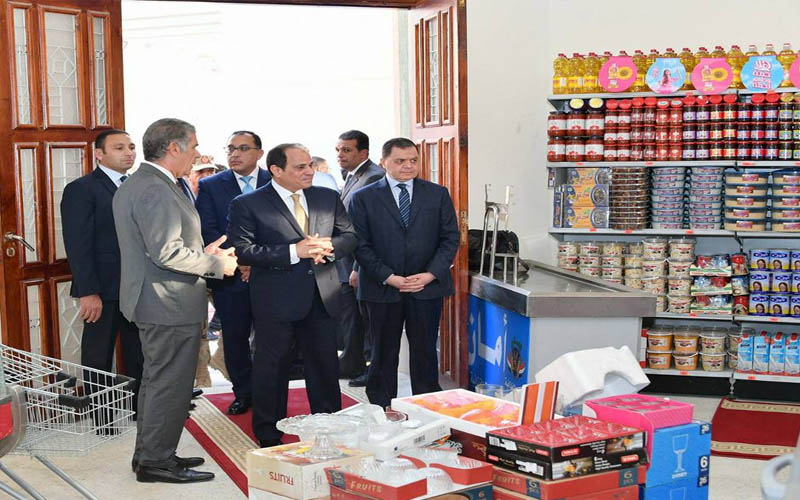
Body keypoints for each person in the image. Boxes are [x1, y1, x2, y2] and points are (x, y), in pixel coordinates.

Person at [113, 118, 237, 483]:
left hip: (160, 300)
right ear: (173, 148)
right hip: (166, 302)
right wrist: (218, 265)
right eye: (194, 145)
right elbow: (166, 252)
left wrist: (203, 252)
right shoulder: (155, 188)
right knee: (170, 385)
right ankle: (155, 461)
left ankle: (153, 454)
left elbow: (161, 246)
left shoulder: (147, 183)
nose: (197, 153)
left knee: (158, 382)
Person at [227, 143, 357, 447]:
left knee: (324, 367)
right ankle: (269, 435)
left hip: (322, 297)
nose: (309, 171)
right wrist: (294, 252)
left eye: (310, 164)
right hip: (275, 300)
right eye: (300, 167)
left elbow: (350, 236)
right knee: (271, 370)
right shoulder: (247, 203)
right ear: (276, 170)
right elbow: (243, 250)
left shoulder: (327, 196)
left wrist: (329, 247)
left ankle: (329, 430)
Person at [349, 138, 459, 409]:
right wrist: (389, 277)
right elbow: (359, 244)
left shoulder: (437, 194)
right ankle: (382, 406)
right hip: (382, 286)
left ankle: (426, 406)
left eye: (413, 160)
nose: (408, 166)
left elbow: (450, 239)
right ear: (383, 162)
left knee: (425, 351)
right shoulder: (364, 197)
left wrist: (430, 274)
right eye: (400, 161)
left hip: (426, 287)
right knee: (383, 351)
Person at [61, 129, 144, 426]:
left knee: (139, 351)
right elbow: (78, 245)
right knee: (98, 355)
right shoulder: (82, 189)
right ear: (99, 154)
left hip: (137, 286)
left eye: (131, 147)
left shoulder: (138, 186)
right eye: (119, 147)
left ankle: (140, 409)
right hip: (102, 288)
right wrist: (88, 292)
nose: (128, 152)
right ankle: (103, 417)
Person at [195, 131, 270, 416]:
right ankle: (244, 392)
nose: (235, 154)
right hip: (231, 276)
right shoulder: (211, 185)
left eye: (243, 148)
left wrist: (258, 261)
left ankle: (270, 390)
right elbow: (209, 231)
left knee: (272, 338)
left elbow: (284, 227)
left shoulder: (275, 180)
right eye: (231, 149)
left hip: (272, 274)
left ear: (259, 153)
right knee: (235, 338)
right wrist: (242, 262)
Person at [334, 130, 385, 385]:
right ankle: (351, 363)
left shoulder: (373, 176)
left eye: (347, 150)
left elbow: (370, 229)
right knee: (352, 317)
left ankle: (371, 368)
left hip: (361, 264)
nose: (340, 155)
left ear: (363, 153)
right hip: (346, 262)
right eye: (338, 150)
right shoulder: (353, 175)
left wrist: (358, 267)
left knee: (369, 321)